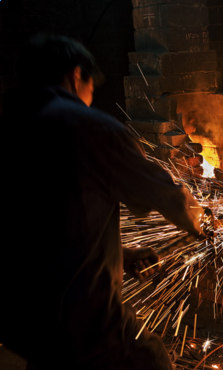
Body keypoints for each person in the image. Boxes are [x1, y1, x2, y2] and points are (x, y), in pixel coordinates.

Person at [0, 35, 203, 370]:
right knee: (149, 357)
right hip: (80, 319)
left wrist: (120, 255)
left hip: (23, 322)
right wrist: (205, 222)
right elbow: (162, 191)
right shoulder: (90, 127)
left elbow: (45, 226)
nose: (91, 97)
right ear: (76, 75)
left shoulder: (13, 127)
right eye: (91, 86)